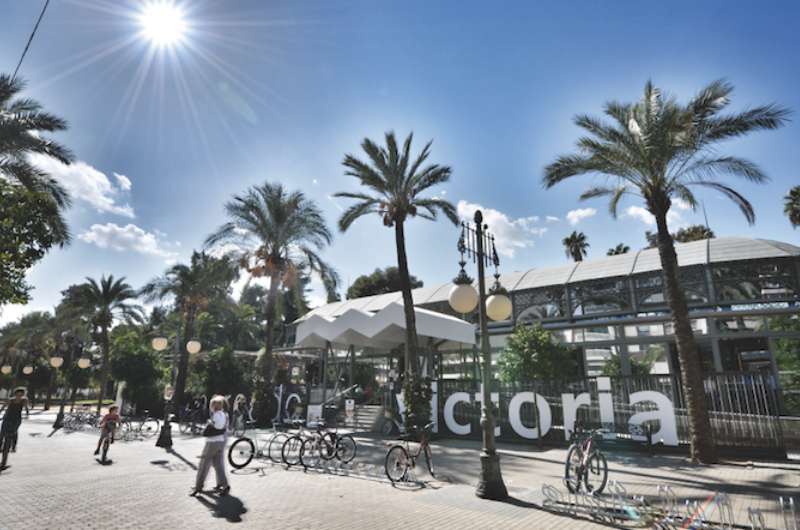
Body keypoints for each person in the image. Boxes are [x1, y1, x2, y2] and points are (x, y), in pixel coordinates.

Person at [191, 395, 230, 497]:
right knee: (218, 466)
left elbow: (217, 426)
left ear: (215, 406)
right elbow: (222, 427)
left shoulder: (216, 415)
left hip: (212, 443)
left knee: (203, 464)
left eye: (213, 404)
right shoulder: (224, 415)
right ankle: (225, 485)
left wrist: (210, 422)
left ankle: (198, 487)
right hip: (220, 442)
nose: (212, 407)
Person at [0, 387, 29, 453]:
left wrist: (27, 414)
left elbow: (26, 408)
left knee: (14, 432)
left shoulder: (24, 400)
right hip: (7, 417)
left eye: (21, 395)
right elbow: (4, 407)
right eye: (17, 395)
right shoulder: (10, 400)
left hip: (17, 419)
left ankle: (13, 446)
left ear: (23, 395)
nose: (19, 396)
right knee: (2, 433)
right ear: (15, 394)